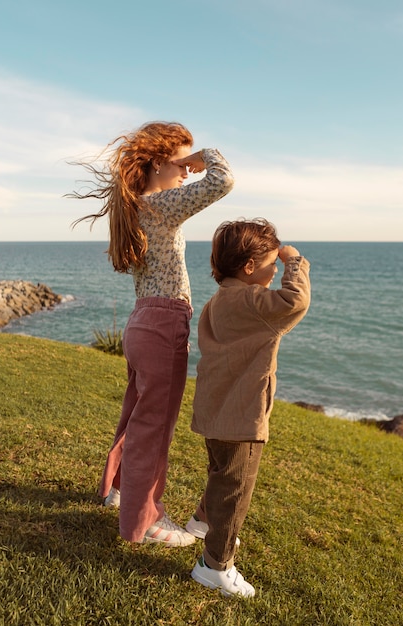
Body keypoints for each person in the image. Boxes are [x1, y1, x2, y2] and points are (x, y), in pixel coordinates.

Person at [70, 121, 234, 546]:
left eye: (189, 163)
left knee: (135, 417)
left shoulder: (137, 208)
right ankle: (145, 522)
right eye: (181, 163)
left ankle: (117, 491)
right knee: (153, 428)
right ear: (159, 161)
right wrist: (206, 155)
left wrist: (187, 159)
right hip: (161, 326)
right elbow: (223, 180)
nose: (187, 172)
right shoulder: (159, 205)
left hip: (142, 321)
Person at [185, 218, 311, 596]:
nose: (276, 270)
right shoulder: (254, 302)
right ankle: (215, 565)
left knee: (221, 476)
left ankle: (201, 522)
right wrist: (295, 261)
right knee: (235, 490)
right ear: (250, 267)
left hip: (213, 410)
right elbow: (297, 300)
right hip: (241, 416)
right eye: (272, 263)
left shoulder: (218, 300)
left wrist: (281, 260)